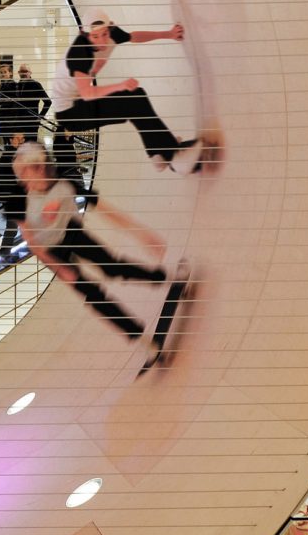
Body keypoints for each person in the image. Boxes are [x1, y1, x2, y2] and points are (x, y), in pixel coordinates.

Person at [14, 143, 187, 370]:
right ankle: (141, 341)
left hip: (72, 233)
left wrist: (141, 233)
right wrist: (59, 268)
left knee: (113, 268)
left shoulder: (65, 185)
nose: (30, 178)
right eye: (25, 173)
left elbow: (106, 209)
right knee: (95, 297)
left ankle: (165, 278)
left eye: (33, 170)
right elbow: (32, 243)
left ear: (43, 167)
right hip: (54, 251)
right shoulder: (19, 202)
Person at [49, 17, 202, 186]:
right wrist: (120, 86)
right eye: (95, 37)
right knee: (133, 100)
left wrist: (169, 34)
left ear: (110, 28)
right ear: (85, 35)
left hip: (78, 103)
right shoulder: (79, 53)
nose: (102, 41)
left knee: (136, 98)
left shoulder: (112, 34)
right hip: (71, 114)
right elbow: (88, 93)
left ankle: (158, 155)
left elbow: (134, 36)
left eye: (105, 34)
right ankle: (173, 157)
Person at [0, 132, 29, 246]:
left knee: (13, 227)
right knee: (13, 227)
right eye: (18, 138)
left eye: (23, 138)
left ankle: (5, 253)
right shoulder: (10, 155)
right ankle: (5, 253)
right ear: (10, 140)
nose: (21, 141)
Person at [0, 63, 49, 139]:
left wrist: (40, 116)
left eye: (25, 71)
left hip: (31, 122)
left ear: (30, 73)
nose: (23, 73)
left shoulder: (36, 85)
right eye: (21, 71)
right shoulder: (18, 85)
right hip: (19, 123)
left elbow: (48, 102)